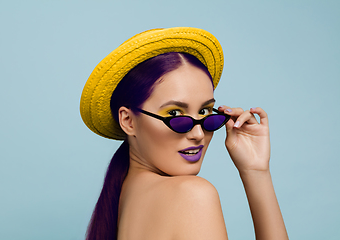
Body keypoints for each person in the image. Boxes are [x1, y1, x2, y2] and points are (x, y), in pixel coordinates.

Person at [80, 27, 288, 240]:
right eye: (175, 113)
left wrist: (255, 169)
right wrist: (257, 176)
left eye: (205, 111)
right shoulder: (191, 195)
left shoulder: (123, 196)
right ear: (128, 121)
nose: (198, 133)